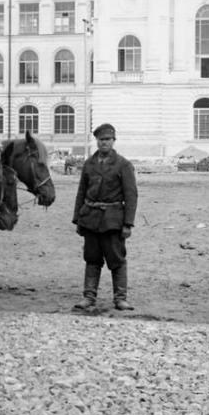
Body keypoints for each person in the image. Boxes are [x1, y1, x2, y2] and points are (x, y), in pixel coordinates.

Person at [72, 123, 138, 312]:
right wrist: (78, 219)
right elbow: (81, 192)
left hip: (113, 221)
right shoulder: (89, 164)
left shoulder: (123, 165)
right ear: (97, 141)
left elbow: (131, 195)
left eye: (108, 140)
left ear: (113, 141)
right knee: (92, 258)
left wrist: (128, 223)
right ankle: (89, 297)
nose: (104, 143)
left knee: (116, 259)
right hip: (90, 219)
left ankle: (120, 298)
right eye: (101, 140)